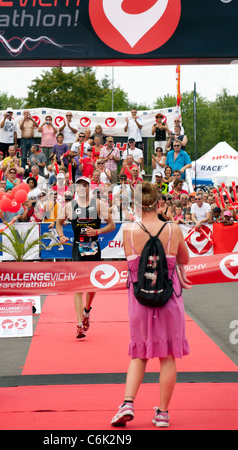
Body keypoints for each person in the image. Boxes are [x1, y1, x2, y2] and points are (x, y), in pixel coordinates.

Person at [110, 182, 190, 428]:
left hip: (139, 298)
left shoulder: (129, 231)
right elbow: (184, 258)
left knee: (139, 353)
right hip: (169, 297)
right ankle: (163, 413)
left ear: (135, 204)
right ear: (159, 202)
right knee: (167, 356)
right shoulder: (172, 229)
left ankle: (128, 403)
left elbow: (130, 263)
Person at [56, 176, 115, 339]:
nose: (82, 188)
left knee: (92, 287)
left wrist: (97, 231)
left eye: (85, 185)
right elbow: (58, 223)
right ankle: (79, 324)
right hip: (77, 247)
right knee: (78, 288)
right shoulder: (69, 206)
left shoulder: (98, 204)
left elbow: (112, 225)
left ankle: (87, 310)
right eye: (79, 186)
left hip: (94, 248)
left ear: (90, 187)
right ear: (76, 189)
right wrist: (61, 236)